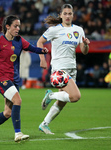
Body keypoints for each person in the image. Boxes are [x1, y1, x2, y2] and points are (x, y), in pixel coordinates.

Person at [0, 15, 48, 142]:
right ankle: (18, 133)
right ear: (7, 27)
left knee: (8, 113)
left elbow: (32, 48)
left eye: (19, 26)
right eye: (15, 26)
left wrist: (43, 51)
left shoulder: (19, 40)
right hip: (2, 80)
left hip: (14, 80)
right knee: (18, 100)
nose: (18, 28)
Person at [37, 4, 90, 134]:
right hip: (59, 69)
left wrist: (86, 45)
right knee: (75, 96)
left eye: (70, 13)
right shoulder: (54, 29)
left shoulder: (78, 30)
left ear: (73, 15)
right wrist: (43, 59)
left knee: (63, 100)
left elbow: (84, 51)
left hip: (72, 68)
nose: (67, 16)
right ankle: (50, 95)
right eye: (65, 13)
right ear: (60, 15)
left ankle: (44, 124)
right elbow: (39, 42)